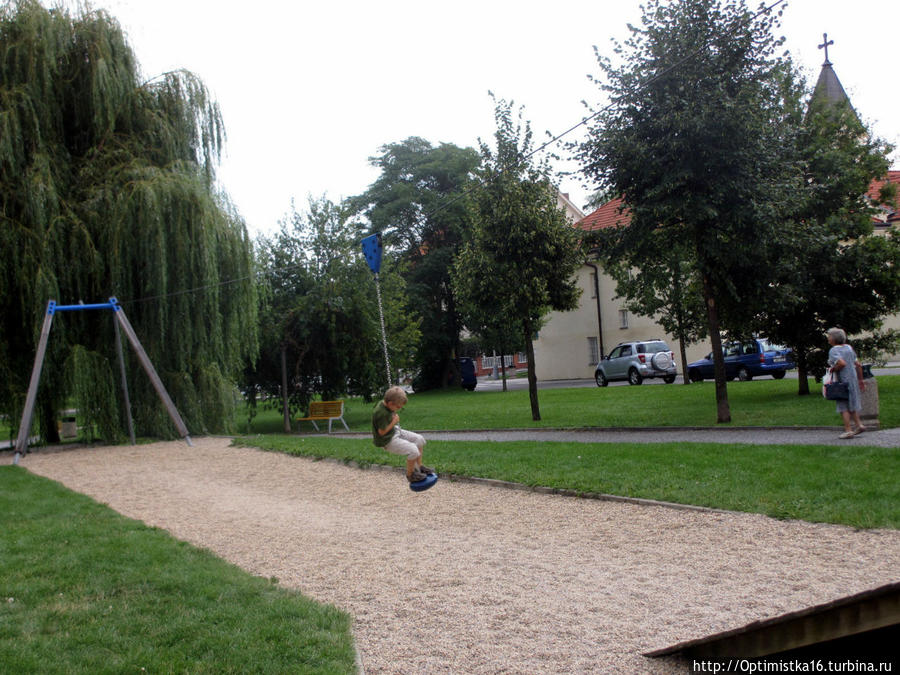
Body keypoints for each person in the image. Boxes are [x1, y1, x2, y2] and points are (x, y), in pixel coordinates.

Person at [372, 386, 434, 483]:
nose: (399, 409)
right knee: (413, 450)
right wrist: (394, 421)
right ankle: (410, 475)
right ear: (390, 403)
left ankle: (419, 467)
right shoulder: (381, 413)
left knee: (420, 439)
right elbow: (381, 432)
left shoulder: (387, 403)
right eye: (398, 407)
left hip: (394, 431)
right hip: (387, 440)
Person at [826, 327, 866, 439]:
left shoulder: (834, 350)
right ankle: (859, 425)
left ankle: (848, 430)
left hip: (843, 381)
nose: (828, 339)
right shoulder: (849, 348)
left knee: (843, 406)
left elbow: (841, 363)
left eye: (829, 336)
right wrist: (861, 379)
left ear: (834, 338)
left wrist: (833, 369)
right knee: (852, 403)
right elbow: (858, 364)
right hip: (853, 379)